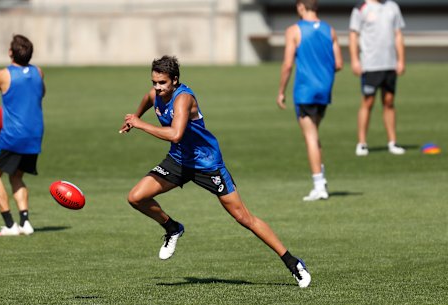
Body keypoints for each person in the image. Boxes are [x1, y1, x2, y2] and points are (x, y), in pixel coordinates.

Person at [119, 55, 311, 288]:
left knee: (243, 217)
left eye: (163, 83)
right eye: (154, 82)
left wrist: (141, 125)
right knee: (136, 197)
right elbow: (147, 101)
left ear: (175, 81)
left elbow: (175, 134)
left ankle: (293, 263)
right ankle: (172, 228)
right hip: (178, 160)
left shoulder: (183, 99)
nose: (157, 88)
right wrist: (135, 117)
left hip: (207, 164)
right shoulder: (155, 95)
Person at [0, 34, 46, 236]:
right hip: (35, 134)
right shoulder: (38, 72)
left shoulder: (3, 75)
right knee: (16, 175)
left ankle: (9, 225)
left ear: (10, 52)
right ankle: (25, 222)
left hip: (12, 135)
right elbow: (41, 93)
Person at [276, 0, 343, 201]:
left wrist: (281, 91)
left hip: (305, 90)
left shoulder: (294, 30)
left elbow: (288, 64)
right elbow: (338, 63)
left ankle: (319, 185)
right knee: (314, 134)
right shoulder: (329, 30)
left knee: (310, 137)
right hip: (324, 89)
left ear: (300, 7)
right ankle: (320, 179)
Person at [349, 0, 406, 156]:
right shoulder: (361, 8)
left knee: (389, 101)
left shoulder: (392, 6)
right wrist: (354, 60)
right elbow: (354, 35)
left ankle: (392, 142)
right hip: (370, 64)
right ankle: (362, 143)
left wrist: (401, 59)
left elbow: (398, 34)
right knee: (368, 101)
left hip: (389, 63)